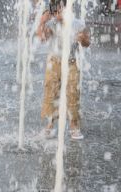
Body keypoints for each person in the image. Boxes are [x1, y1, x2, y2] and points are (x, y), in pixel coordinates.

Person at [36, 0, 91, 140]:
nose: (56, 13)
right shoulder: (52, 23)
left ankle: (74, 126)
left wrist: (83, 38)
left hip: (71, 63)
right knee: (51, 92)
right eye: (55, 10)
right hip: (54, 62)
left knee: (73, 93)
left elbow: (87, 43)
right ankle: (49, 126)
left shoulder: (78, 23)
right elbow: (42, 38)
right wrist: (42, 22)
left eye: (59, 9)